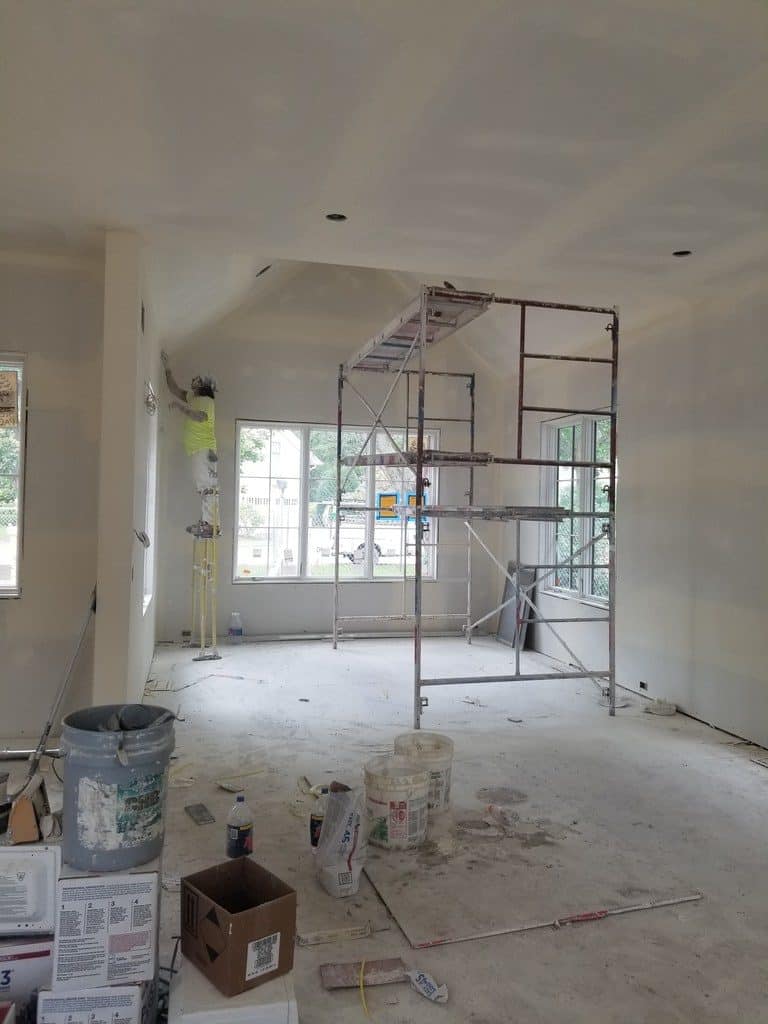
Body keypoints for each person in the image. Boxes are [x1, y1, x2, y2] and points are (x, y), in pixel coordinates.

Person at [161, 350, 220, 538]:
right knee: (204, 486)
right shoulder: (194, 399)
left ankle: (210, 526)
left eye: (197, 380)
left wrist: (180, 408)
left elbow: (200, 417)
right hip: (200, 450)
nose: (193, 381)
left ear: (203, 385)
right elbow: (174, 389)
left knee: (207, 487)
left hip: (203, 450)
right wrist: (167, 368)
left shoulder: (205, 401)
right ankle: (208, 523)